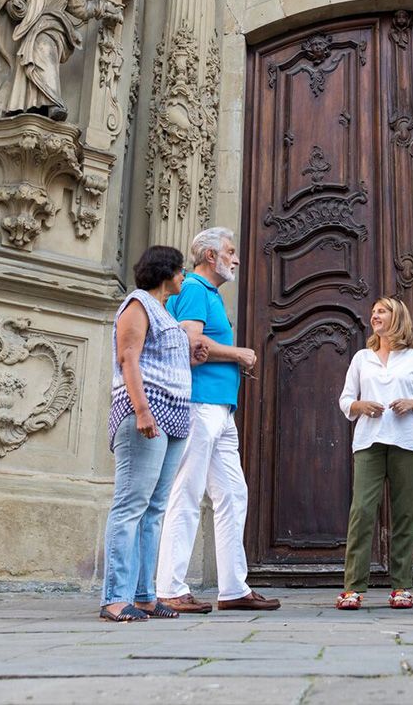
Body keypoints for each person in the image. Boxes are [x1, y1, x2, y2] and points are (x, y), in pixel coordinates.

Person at [156, 228, 280, 613]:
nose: (236, 259)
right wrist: (238, 354)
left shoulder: (207, 294)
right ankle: (169, 588)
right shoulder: (193, 288)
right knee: (187, 493)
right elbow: (192, 348)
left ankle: (233, 588)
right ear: (210, 255)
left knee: (232, 494)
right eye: (230, 251)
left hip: (220, 410)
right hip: (198, 405)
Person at [101, 245, 206, 623]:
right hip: (148, 417)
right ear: (166, 273)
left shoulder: (162, 311)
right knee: (131, 505)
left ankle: (145, 596)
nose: (184, 277)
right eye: (180, 271)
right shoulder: (137, 304)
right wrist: (142, 410)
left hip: (174, 420)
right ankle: (115, 597)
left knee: (155, 509)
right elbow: (128, 357)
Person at [336, 297, 413, 610]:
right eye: (373, 312)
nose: (375, 315)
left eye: (381, 311)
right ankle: (353, 587)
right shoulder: (361, 358)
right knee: (362, 511)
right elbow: (345, 400)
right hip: (369, 442)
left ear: (398, 317)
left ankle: (401, 587)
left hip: (408, 442)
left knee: (404, 515)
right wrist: (359, 405)